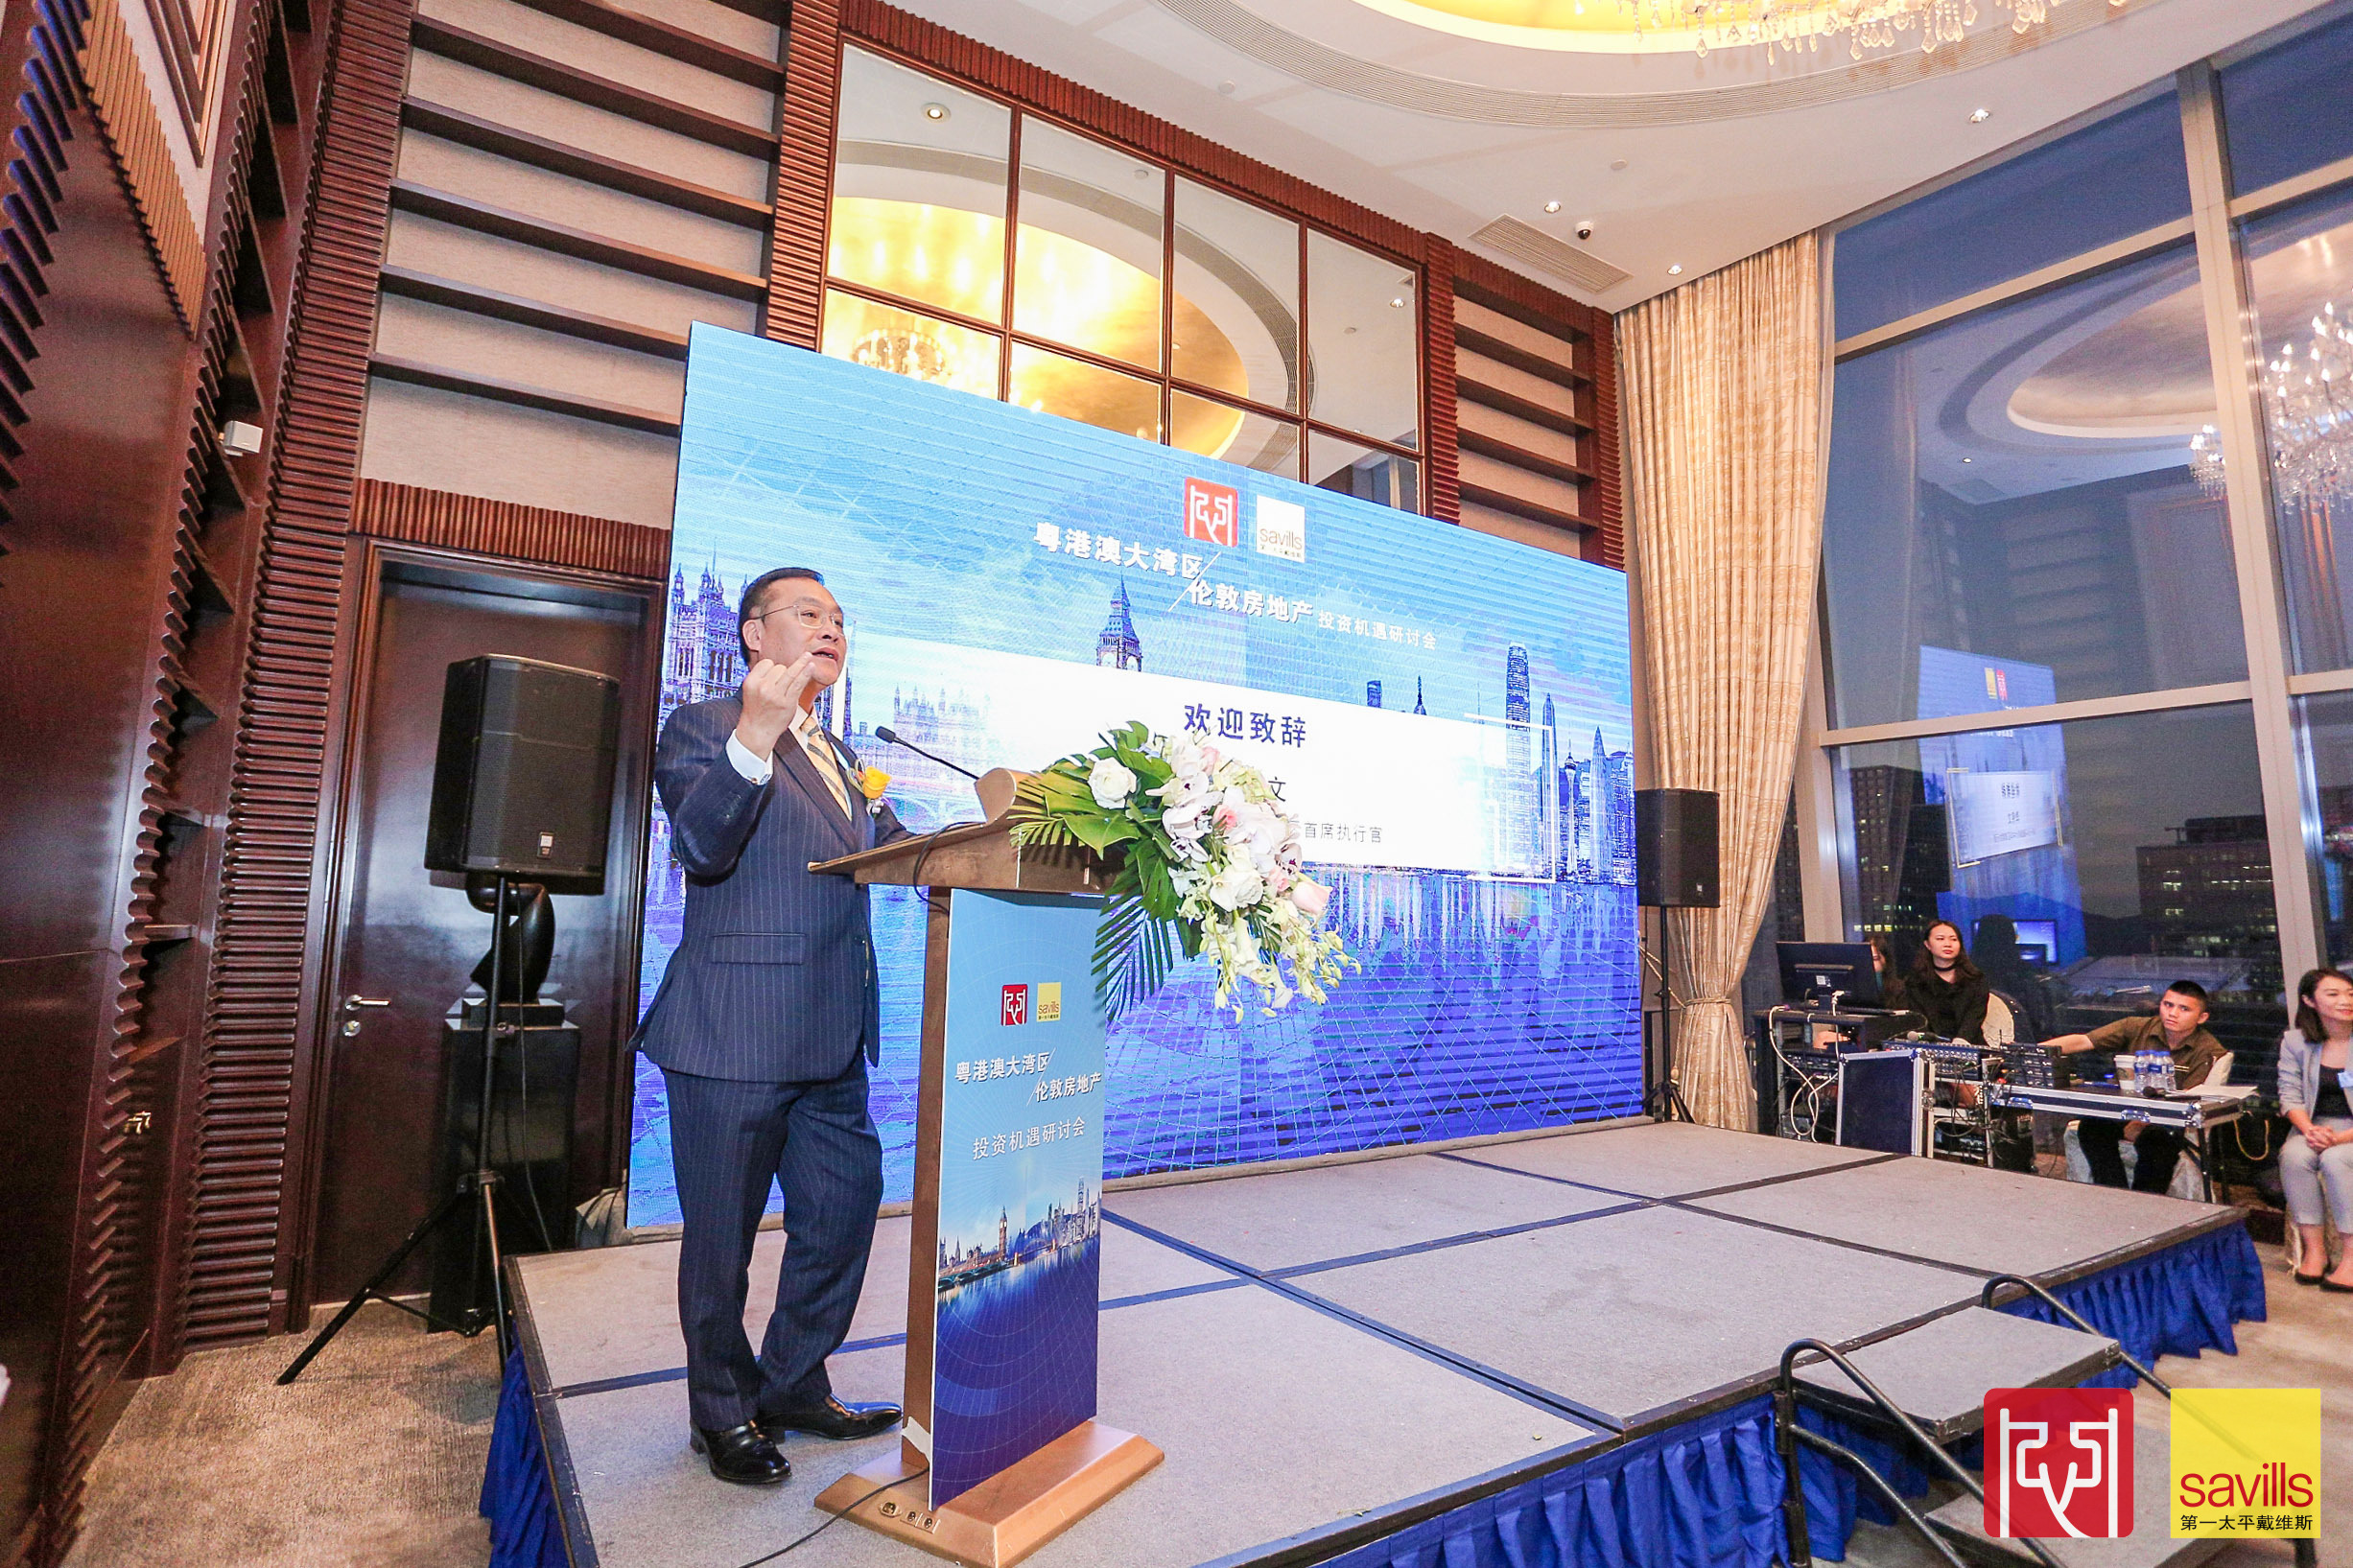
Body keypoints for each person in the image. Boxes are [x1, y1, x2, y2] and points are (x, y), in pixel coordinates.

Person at [635, 566, 911, 1486]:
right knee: (722, 1241)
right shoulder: (703, 725)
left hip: (831, 1037)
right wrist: (755, 735)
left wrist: (998, 828)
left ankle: (792, 1383)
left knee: (841, 1213)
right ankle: (720, 1411)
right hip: (733, 1033)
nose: (831, 627)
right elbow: (701, 846)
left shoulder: (842, 752)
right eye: (808, 613)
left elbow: (899, 851)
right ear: (755, 634)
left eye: (839, 617)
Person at [2044, 980, 2224, 1195]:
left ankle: (2144, 1200)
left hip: (2169, 1120)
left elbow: (2188, 1100)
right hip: (2126, 1111)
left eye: (2184, 1009)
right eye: (2168, 1005)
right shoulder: (2137, 1027)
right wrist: (2034, 1051)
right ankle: (2116, 1194)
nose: (2173, 1013)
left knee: (2156, 1142)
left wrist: (2139, 1123)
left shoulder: (2208, 1050)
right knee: (2092, 1127)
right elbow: (2083, 1041)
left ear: (2202, 1017)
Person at [2278, 967, 2353, 1289]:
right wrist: (2309, 1130)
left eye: (2350, 994)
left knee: (2336, 1160)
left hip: (2348, 1132)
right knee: (2293, 1156)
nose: (2345, 1001)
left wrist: (2338, 1139)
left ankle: (2351, 1259)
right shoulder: (2296, 1042)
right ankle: (2315, 1252)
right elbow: (2289, 1095)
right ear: (2310, 1000)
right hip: (2316, 1125)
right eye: (2333, 994)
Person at [1905, 921, 1988, 1042]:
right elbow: (1919, 1021)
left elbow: (1974, 1018)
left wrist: (1960, 1042)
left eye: (1953, 939)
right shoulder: (1915, 983)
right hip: (1931, 1046)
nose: (1948, 944)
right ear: (1927, 944)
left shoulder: (1976, 979)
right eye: (1940, 939)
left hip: (1970, 1044)